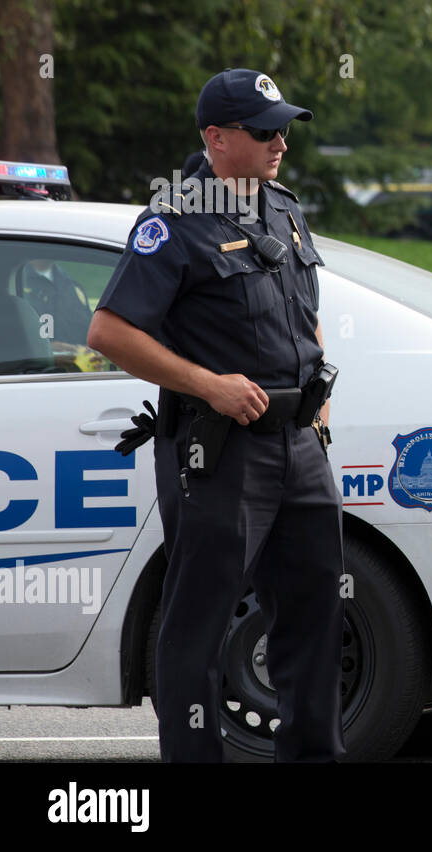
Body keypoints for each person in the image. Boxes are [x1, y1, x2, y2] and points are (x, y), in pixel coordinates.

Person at [86, 68, 344, 763]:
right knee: (197, 628)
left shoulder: (282, 207)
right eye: (264, 131)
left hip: (299, 442)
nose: (280, 141)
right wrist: (209, 385)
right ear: (216, 138)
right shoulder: (172, 219)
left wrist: (317, 400)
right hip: (223, 452)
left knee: (316, 615)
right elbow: (108, 331)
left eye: (285, 127)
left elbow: (304, 312)